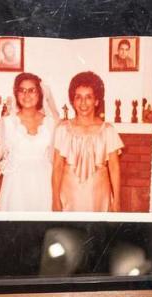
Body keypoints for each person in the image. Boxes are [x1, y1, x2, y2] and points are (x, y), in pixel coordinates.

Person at [52, 71, 124, 212]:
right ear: (73, 100)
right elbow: (57, 167)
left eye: (88, 97)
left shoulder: (107, 130)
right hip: (69, 194)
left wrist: (117, 200)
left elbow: (114, 168)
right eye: (78, 97)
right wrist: (55, 199)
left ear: (96, 101)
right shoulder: (62, 129)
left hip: (99, 194)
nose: (83, 103)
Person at [0, 73, 58, 211]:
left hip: (43, 181)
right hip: (15, 184)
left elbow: (55, 158)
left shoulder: (51, 123)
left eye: (32, 90)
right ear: (16, 94)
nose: (26, 95)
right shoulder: (7, 122)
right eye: (22, 90)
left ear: (40, 93)